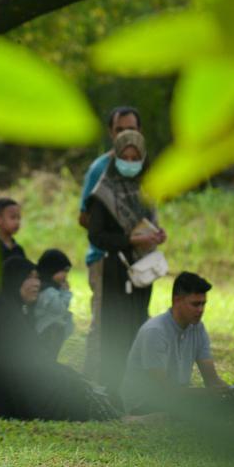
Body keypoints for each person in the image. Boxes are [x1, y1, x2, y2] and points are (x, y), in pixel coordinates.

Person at [0, 257, 119, 421]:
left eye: (37, 277)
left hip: (11, 387)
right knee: (70, 389)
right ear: (14, 279)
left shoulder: (10, 309)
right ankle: (115, 418)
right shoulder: (3, 316)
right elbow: (19, 370)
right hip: (0, 398)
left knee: (71, 382)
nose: (36, 283)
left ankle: (115, 415)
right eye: (28, 277)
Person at [86, 129, 166, 399]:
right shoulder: (103, 193)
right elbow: (96, 235)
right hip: (116, 270)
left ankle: (136, 388)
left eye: (136, 157)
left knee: (138, 323)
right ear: (116, 156)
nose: (130, 162)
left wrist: (156, 235)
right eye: (125, 156)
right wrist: (128, 239)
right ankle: (112, 389)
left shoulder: (146, 190)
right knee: (115, 328)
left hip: (143, 270)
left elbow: (150, 223)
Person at [121, 272, 234, 418]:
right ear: (177, 300)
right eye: (195, 304)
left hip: (177, 397)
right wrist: (207, 394)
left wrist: (231, 391)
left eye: (203, 304)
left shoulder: (197, 328)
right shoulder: (155, 331)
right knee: (197, 405)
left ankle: (204, 417)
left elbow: (211, 380)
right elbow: (162, 390)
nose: (200, 310)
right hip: (146, 401)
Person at [79, 107, 142, 379]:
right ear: (110, 132)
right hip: (103, 260)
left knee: (134, 321)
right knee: (102, 323)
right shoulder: (99, 169)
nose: (126, 135)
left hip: (138, 261)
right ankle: (91, 386)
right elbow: (85, 217)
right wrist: (120, 233)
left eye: (132, 129)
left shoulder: (142, 167)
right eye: (120, 130)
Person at [33, 249, 74, 362]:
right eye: (63, 271)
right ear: (52, 269)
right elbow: (60, 309)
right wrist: (66, 292)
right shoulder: (48, 292)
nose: (66, 276)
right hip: (46, 333)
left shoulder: (49, 287)